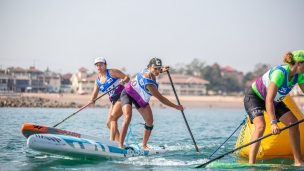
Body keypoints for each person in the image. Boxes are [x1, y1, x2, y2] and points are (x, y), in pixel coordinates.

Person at [244, 50, 304, 166]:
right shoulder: (279, 74)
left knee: (293, 123)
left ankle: (298, 161)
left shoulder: (300, 75)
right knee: (261, 126)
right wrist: (273, 122)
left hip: (273, 101)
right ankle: (251, 165)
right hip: (255, 97)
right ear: (299, 63)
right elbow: (269, 100)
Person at [118, 57, 184, 150]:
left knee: (149, 121)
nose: (157, 71)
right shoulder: (150, 84)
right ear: (149, 67)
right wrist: (176, 107)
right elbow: (161, 99)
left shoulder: (149, 69)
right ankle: (120, 145)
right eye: (155, 68)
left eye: (158, 68)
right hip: (128, 93)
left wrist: (162, 70)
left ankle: (144, 145)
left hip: (140, 99)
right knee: (128, 117)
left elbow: (155, 70)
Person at [89, 57, 130, 142]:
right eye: (97, 65)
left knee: (113, 118)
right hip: (114, 101)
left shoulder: (112, 72)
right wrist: (92, 100)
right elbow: (94, 94)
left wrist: (123, 81)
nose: (99, 67)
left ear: (105, 65)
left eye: (101, 65)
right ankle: (120, 144)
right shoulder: (97, 81)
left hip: (122, 96)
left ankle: (111, 142)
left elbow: (127, 77)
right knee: (108, 124)